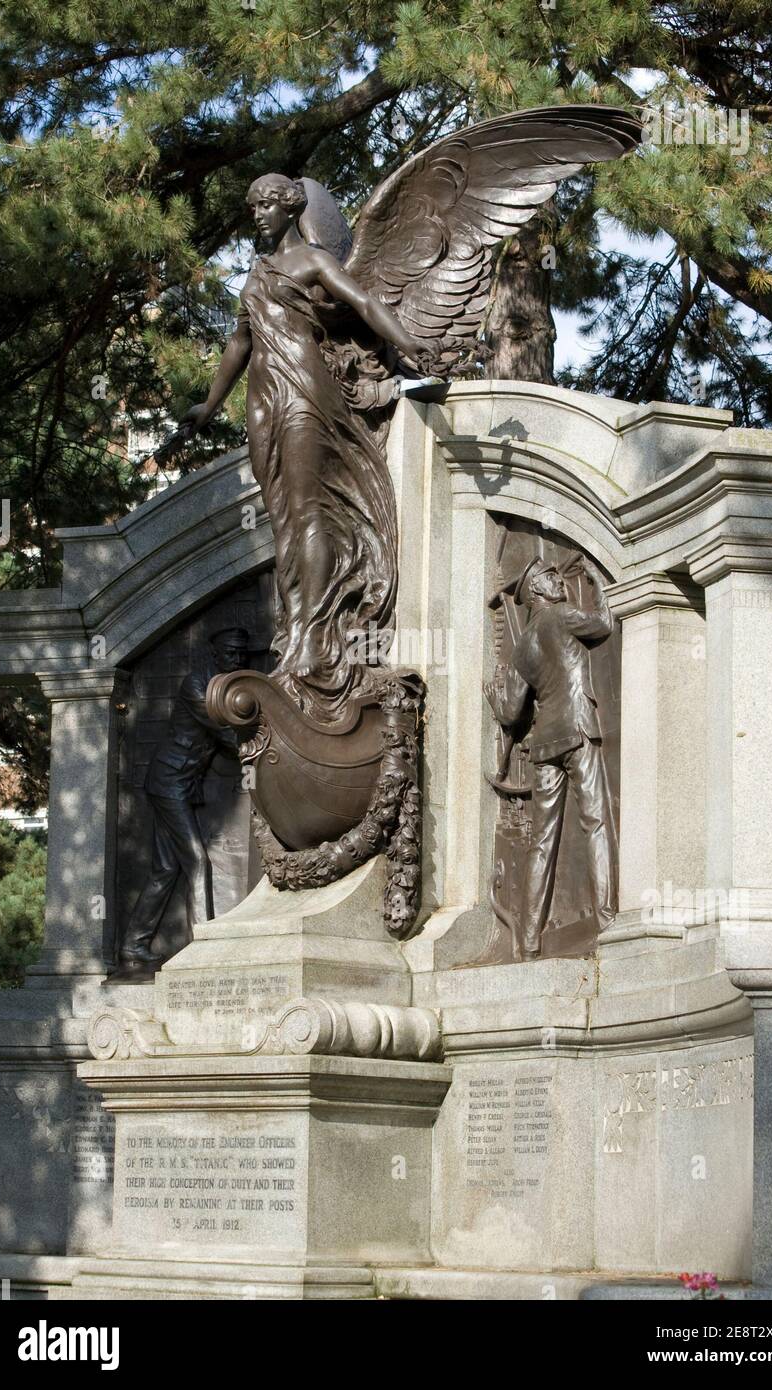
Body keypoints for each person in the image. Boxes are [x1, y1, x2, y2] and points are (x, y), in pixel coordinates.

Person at [176, 174, 436, 720]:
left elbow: (364, 302)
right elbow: (240, 341)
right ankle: (297, 626)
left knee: (308, 510)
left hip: (303, 391)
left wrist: (409, 344)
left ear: (292, 207)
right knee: (285, 519)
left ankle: (311, 637)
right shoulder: (256, 272)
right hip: (263, 399)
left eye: (267, 204)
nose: (257, 215)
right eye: (253, 207)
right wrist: (208, 403)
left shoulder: (314, 263)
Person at [484, 558, 616, 959]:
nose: (560, 581)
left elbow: (509, 712)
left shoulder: (523, 645)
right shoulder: (562, 615)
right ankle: (609, 919)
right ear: (538, 590)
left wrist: (494, 699)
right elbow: (604, 623)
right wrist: (595, 579)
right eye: (551, 578)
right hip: (577, 732)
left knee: (541, 842)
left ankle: (528, 938)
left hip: (544, 746)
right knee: (595, 821)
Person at [117, 627, 250, 970]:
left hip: (179, 784)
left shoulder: (223, 683)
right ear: (216, 653)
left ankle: (134, 945)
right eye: (231, 653)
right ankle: (203, 946)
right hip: (169, 781)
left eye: (241, 654)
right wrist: (260, 748)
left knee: (165, 869)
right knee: (196, 861)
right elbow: (225, 735)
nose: (237, 660)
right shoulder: (197, 686)